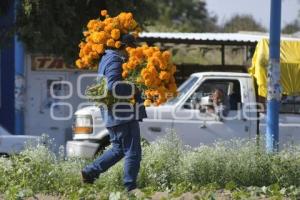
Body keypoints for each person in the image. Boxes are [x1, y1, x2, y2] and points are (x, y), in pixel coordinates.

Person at [81, 34, 147, 192]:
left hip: (113, 113)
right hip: (122, 114)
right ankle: (130, 187)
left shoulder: (106, 58)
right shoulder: (116, 60)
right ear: (124, 46)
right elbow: (112, 86)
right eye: (131, 47)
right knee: (133, 150)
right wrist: (135, 87)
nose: (132, 51)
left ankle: (89, 172)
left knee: (118, 149)